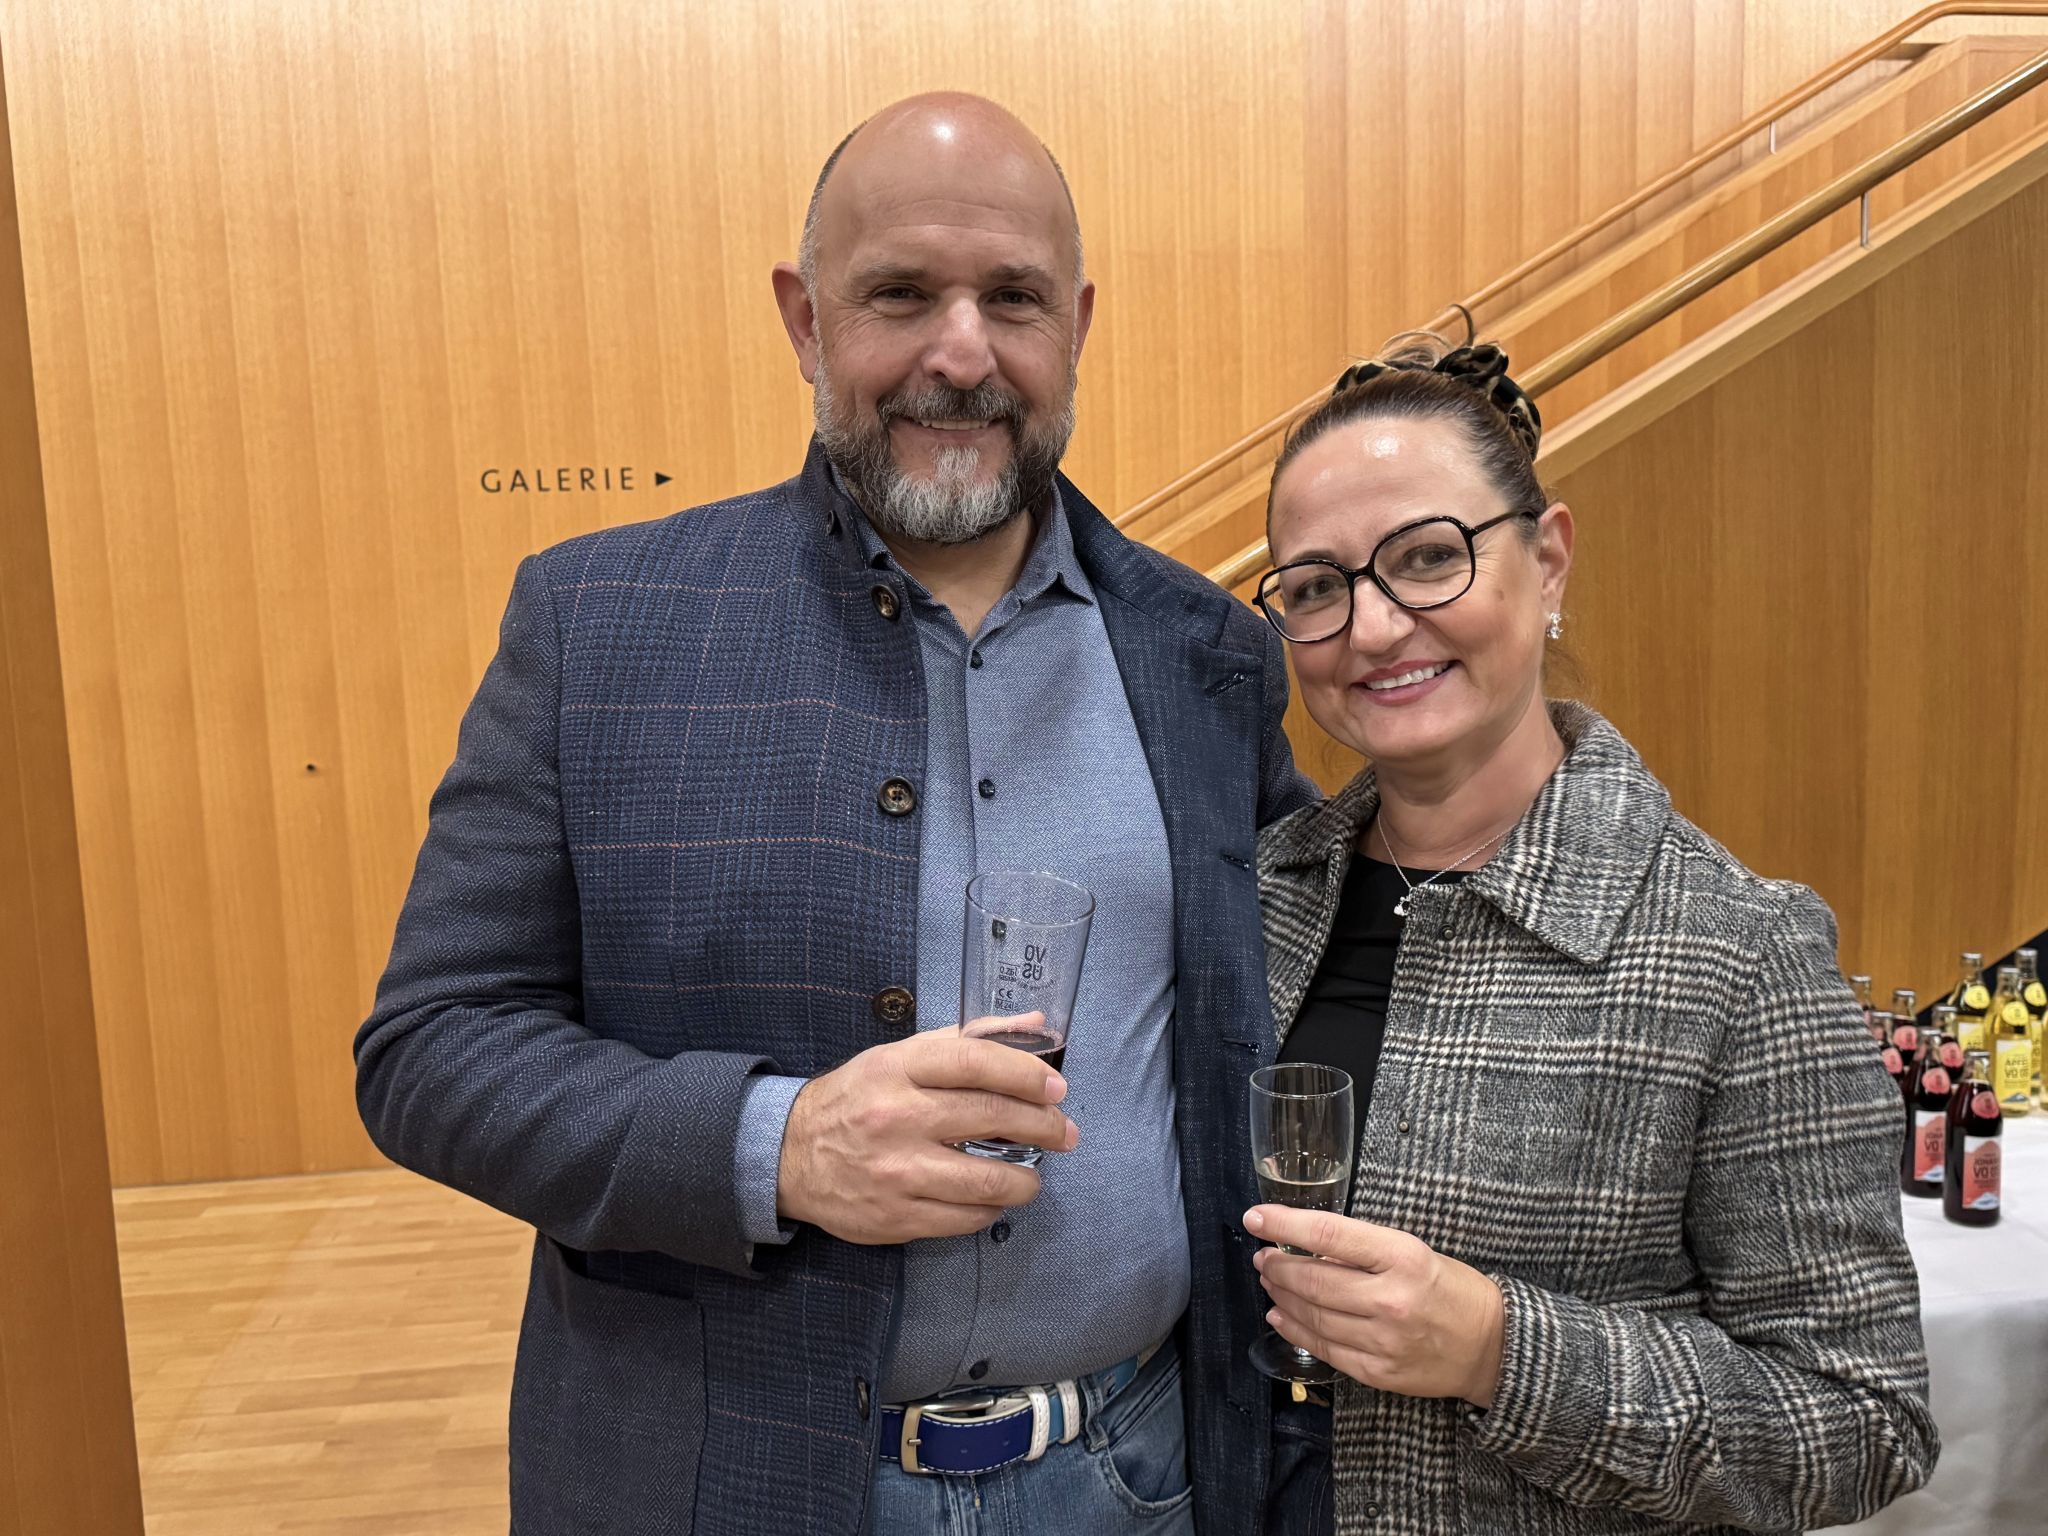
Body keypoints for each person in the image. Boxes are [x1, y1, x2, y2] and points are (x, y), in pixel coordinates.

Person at [355, 93, 1313, 1536]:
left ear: (1080, 327)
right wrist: (772, 1144)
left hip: (1141, 1477)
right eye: (900, 295)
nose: (962, 351)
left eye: (1014, 299)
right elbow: (429, 1053)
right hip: (722, 1487)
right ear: (805, 322)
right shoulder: (597, 629)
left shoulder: (1209, 657)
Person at [1242, 338, 1938, 1534]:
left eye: (1423, 559)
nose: (1370, 627)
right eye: (1314, 585)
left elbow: (1861, 1426)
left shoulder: (1736, 949)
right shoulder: (1259, 896)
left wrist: (1501, 1351)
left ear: (1547, 558)